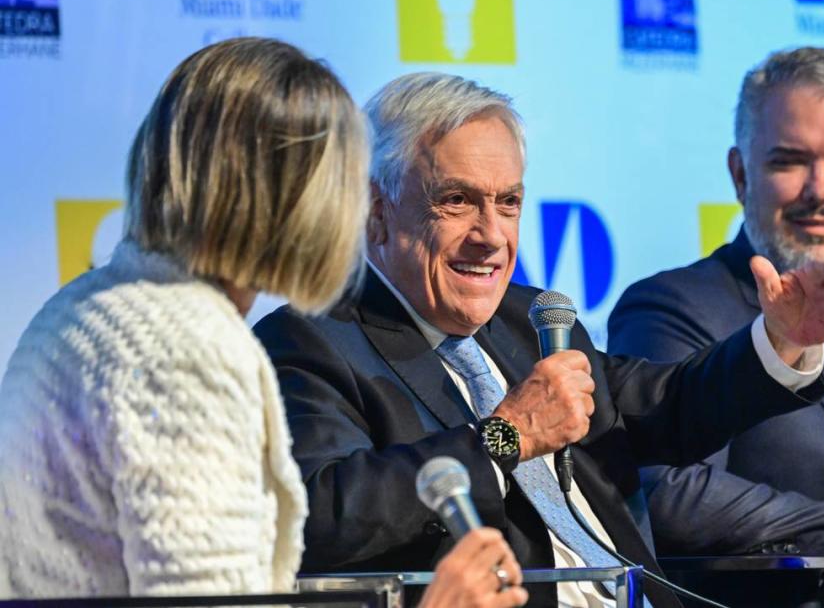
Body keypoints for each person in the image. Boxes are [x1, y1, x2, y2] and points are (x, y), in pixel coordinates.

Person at [253, 71, 824, 607]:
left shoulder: (532, 320)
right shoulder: (310, 342)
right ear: (375, 211)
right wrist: (504, 438)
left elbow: (668, 404)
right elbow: (320, 516)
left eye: (509, 202)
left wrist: (778, 343)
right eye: (456, 200)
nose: (491, 235)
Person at [0, 37, 527, 608]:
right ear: (280, 194)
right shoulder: (187, 347)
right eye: (343, 182)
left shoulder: (89, 303)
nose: (355, 211)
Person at [608, 46, 824, 603]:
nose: (822, 190)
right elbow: (664, 492)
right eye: (789, 161)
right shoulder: (677, 307)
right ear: (740, 173)